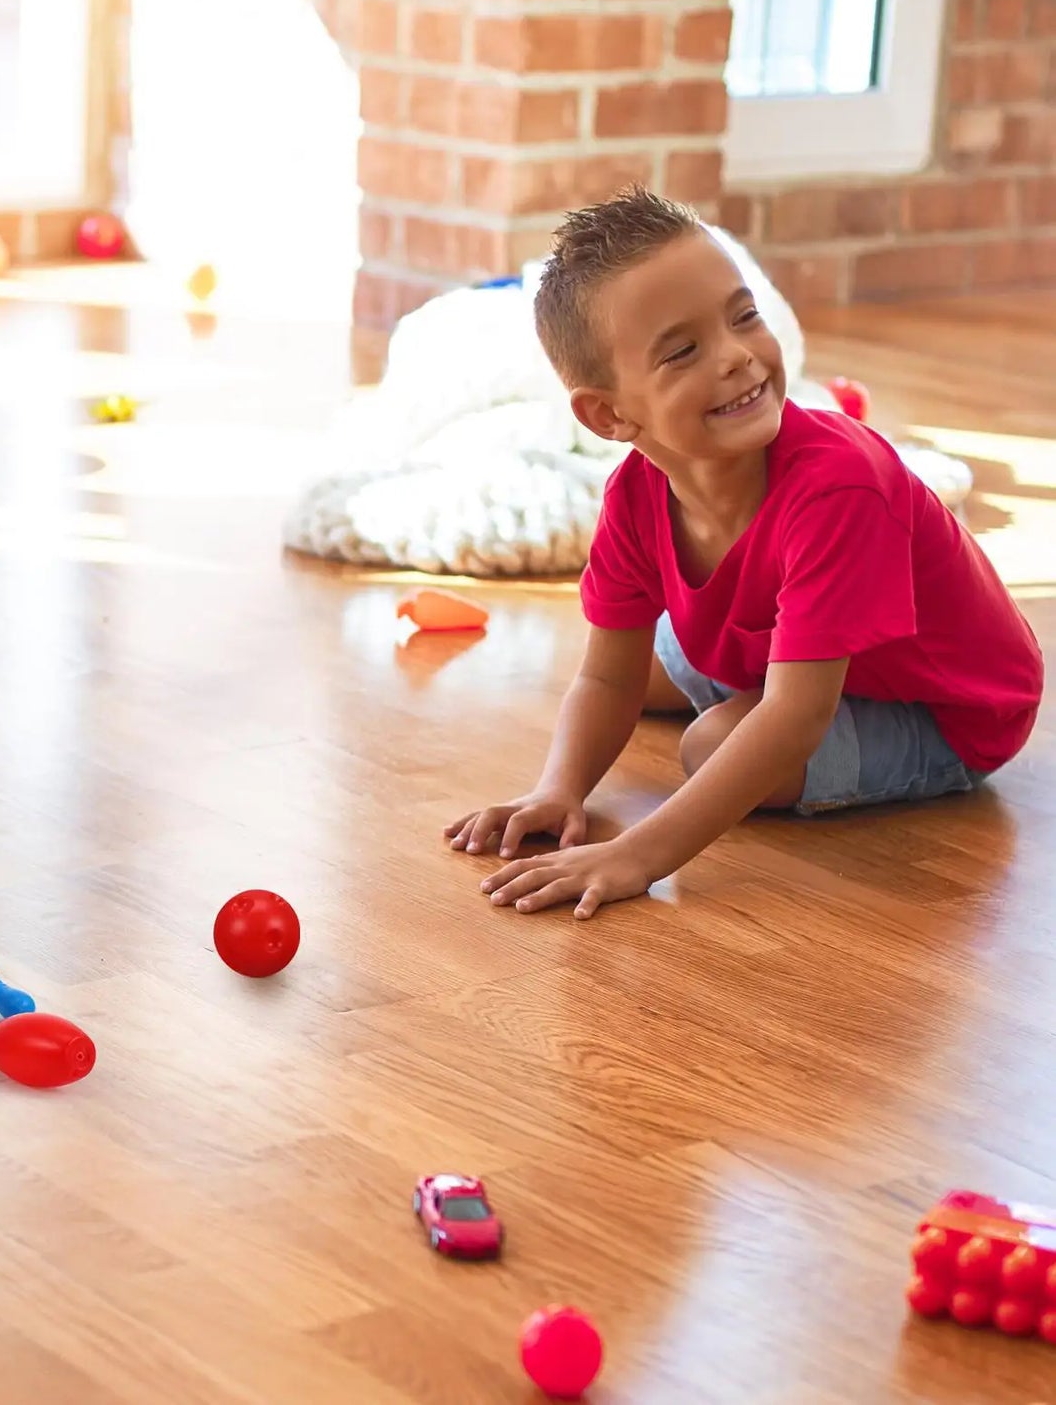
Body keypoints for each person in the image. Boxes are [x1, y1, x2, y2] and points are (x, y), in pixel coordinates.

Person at [444, 185, 1044, 921]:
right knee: (653, 665)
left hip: (947, 712)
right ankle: (735, 686)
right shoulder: (634, 492)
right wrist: (558, 789)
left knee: (715, 743)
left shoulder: (839, 486)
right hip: (797, 657)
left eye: (743, 316)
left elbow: (793, 717)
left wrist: (637, 851)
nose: (736, 358)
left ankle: (754, 706)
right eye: (683, 350)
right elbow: (605, 677)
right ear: (608, 414)